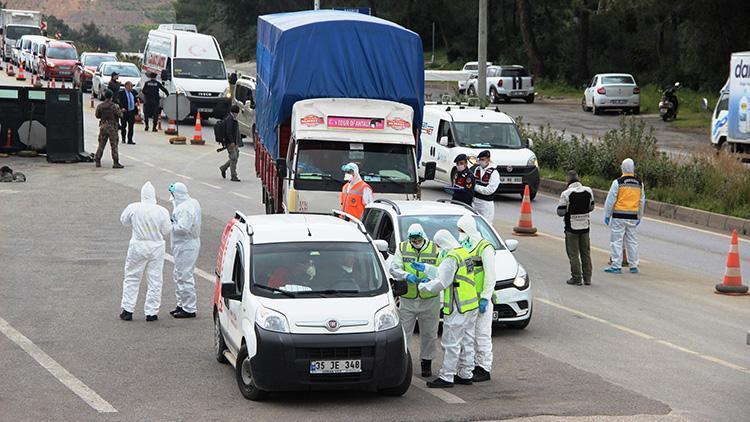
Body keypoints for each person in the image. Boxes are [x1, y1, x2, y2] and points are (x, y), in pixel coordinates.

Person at [417, 230, 478, 388]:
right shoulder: (463, 252)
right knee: (467, 341)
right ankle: (465, 374)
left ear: (442, 242)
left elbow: (441, 282)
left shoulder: (451, 258)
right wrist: (425, 268)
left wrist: (422, 287)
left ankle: (447, 376)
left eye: (438, 245)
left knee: (451, 342)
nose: (438, 248)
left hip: (457, 306)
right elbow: (442, 272)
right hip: (470, 305)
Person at [389, 224, 441, 378]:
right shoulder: (403, 247)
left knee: (430, 333)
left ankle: (426, 362)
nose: (415, 241)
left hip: (429, 298)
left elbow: (442, 271)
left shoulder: (435, 249)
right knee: (404, 333)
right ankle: (402, 361)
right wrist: (407, 276)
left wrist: (430, 277)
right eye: (413, 239)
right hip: (408, 297)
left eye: (418, 238)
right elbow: (394, 268)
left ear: (423, 236)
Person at [120, 181, 172, 321]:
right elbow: (167, 230)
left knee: (132, 277)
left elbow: (124, 221)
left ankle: (127, 309)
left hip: (138, 245)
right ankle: (151, 312)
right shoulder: (162, 211)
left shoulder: (134, 207)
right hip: (156, 246)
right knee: (155, 279)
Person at [456, 214, 496, 382]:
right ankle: (469, 366)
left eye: (461, 230)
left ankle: (484, 367)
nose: (459, 233)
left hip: (481, 300)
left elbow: (490, 275)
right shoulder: (464, 246)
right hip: (468, 301)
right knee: (468, 336)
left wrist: (486, 297)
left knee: (482, 335)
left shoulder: (484, 247)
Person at [604, 158, 645, 274]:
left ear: (623, 167)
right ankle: (633, 265)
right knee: (632, 241)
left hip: (619, 215)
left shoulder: (618, 182)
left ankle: (616, 265)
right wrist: (639, 216)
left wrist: (607, 214)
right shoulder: (639, 183)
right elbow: (642, 201)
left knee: (616, 240)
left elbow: (611, 199)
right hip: (632, 216)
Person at [168, 182, 201, 319]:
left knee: (184, 275)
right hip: (182, 244)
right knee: (178, 274)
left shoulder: (185, 209)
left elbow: (183, 228)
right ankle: (181, 304)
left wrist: (169, 224)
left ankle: (189, 308)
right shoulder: (190, 203)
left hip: (186, 244)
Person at [557, 170, 595, 285]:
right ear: (578, 179)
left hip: (571, 229)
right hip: (585, 228)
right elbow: (591, 207)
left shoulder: (566, 194)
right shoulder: (588, 191)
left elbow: (560, 212)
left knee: (573, 254)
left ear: (567, 180)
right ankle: (587, 278)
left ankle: (576, 278)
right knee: (585, 253)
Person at [94, 89, 124, 169]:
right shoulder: (114, 106)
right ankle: (115, 162)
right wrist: (121, 111)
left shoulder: (101, 106)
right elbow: (120, 115)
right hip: (112, 127)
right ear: (111, 97)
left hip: (103, 126)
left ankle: (97, 160)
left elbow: (97, 115)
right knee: (114, 145)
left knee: (101, 144)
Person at [472, 150, 500, 223]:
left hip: (486, 204)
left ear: (488, 159)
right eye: (480, 160)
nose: (481, 161)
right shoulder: (477, 169)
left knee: (486, 223)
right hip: (475, 201)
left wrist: (475, 187)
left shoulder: (494, 173)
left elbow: (490, 190)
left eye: (483, 159)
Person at [219, 105, 241, 182]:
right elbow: (228, 132)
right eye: (237, 113)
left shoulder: (232, 118)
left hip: (233, 142)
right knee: (234, 157)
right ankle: (233, 176)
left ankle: (223, 168)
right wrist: (231, 142)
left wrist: (236, 142)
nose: (237, 114)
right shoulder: (230, 119)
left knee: (235, 155)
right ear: (235, 112)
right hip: (229, 142)